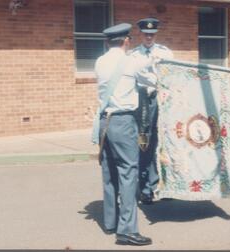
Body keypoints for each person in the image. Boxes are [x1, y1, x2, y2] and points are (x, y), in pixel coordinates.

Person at [94, 23, 156, 245]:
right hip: (123, 121)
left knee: (110, 173)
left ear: (107, 42)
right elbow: (152, 73)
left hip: (105, 122)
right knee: (129, 173)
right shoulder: (131, 61)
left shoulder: (100, 61)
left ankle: (111, 222)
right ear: (126, 41)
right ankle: (127, 230)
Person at [130, 17, 174, 204]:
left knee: (163, 141)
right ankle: (145, 188)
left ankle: (162, 185)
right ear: (140, 34)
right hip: (142, 101)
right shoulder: (133, 55)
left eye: (152, 34)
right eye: (146, 34)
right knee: (144, 141)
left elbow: (172, 73)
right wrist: (150, 66)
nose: (149, 37)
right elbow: (135, 73)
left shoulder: (165, 52)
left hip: (161, 99)